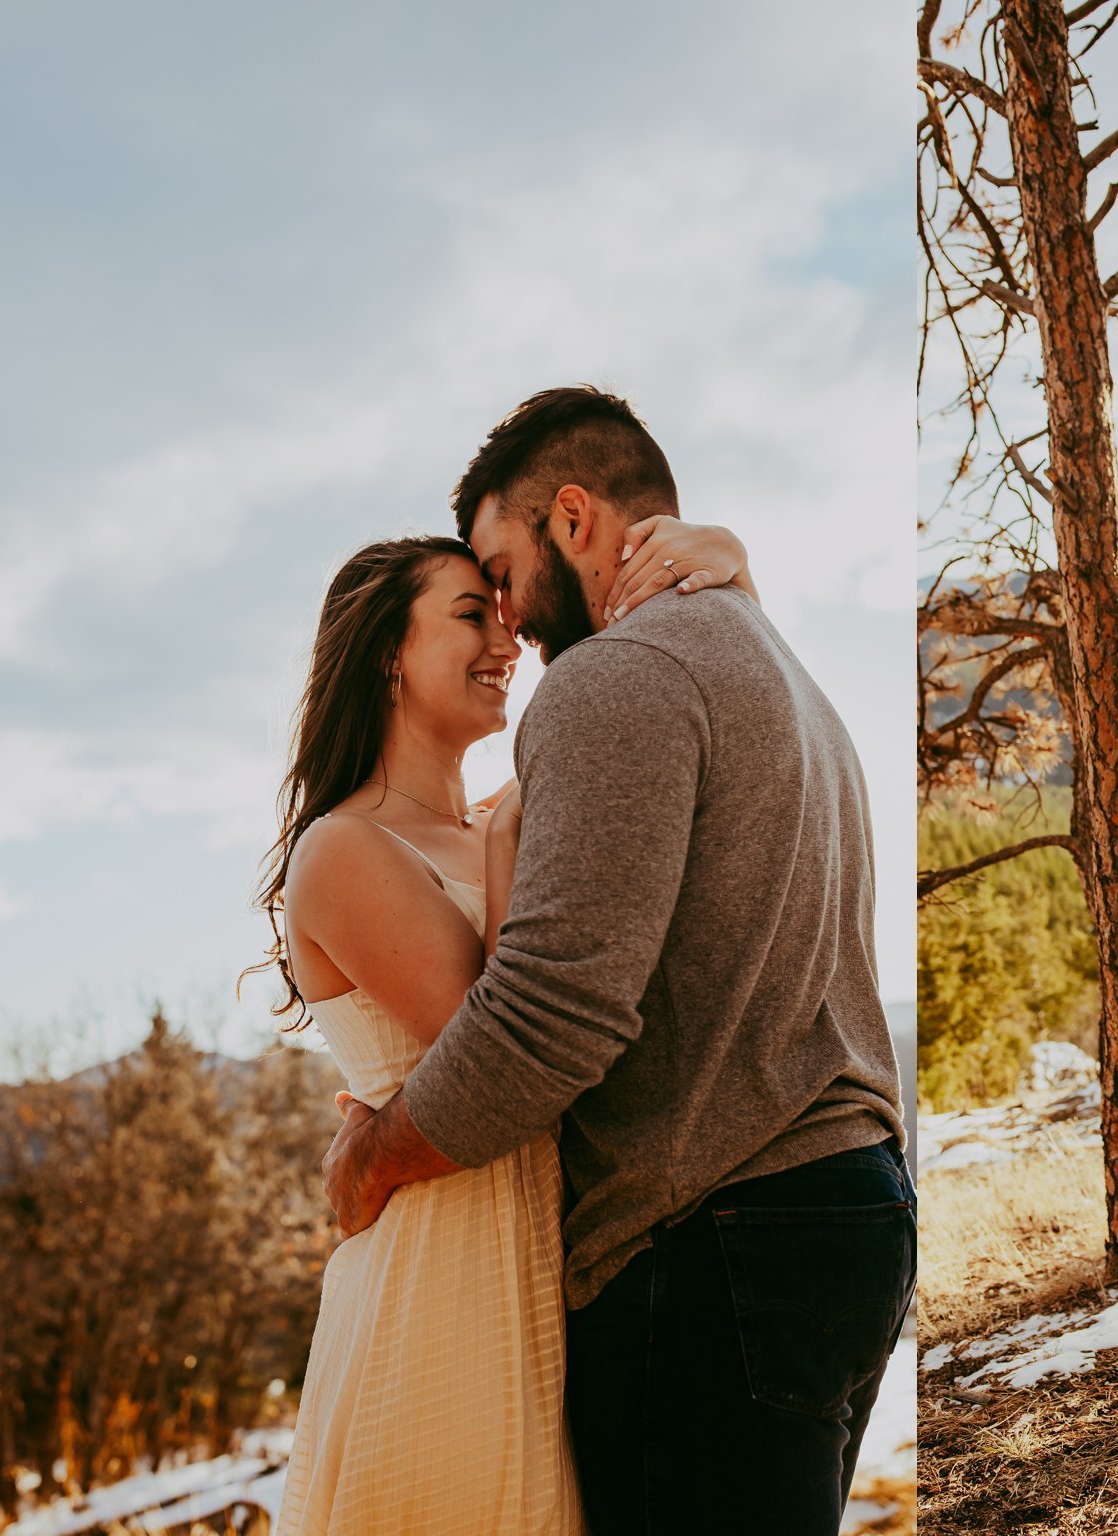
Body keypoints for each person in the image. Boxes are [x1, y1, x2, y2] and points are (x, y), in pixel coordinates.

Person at [319, 386, 914, 1536]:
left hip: (711, 1236)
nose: (507, 616)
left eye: (500, 569)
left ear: (574, 518)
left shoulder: (609, 681)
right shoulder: (772, 658)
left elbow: (549, 1019)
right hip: (849, 1205)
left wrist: (375, 1155)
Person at [252, 508, 751, 1534]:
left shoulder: (497, 821)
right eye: (470, 614)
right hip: (439, 1279)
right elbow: (504, 1041)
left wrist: (732, 573)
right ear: (389, 651)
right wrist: (514, 831)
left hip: (546, 1271)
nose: (508, 638)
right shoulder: (344, 848)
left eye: (505, 613)